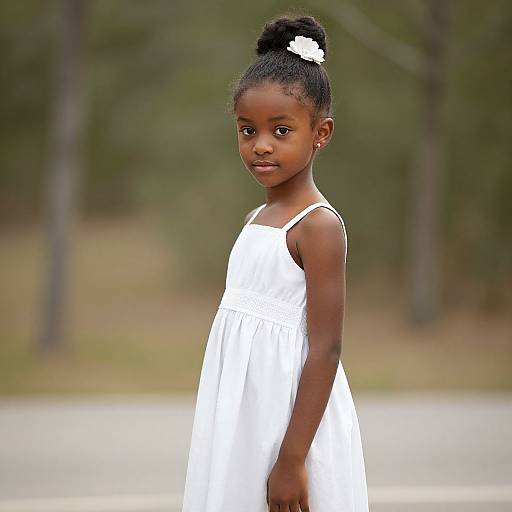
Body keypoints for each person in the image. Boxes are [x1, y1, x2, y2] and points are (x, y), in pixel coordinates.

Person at [181, 14, 369, 512]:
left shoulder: (317, 227)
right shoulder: (254, 218)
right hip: (241, 417)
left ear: (320, 133)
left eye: (281, 130)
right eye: (248, 130)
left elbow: (326, 348)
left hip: (290, 426)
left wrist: (291, 459)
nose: (260, 144)